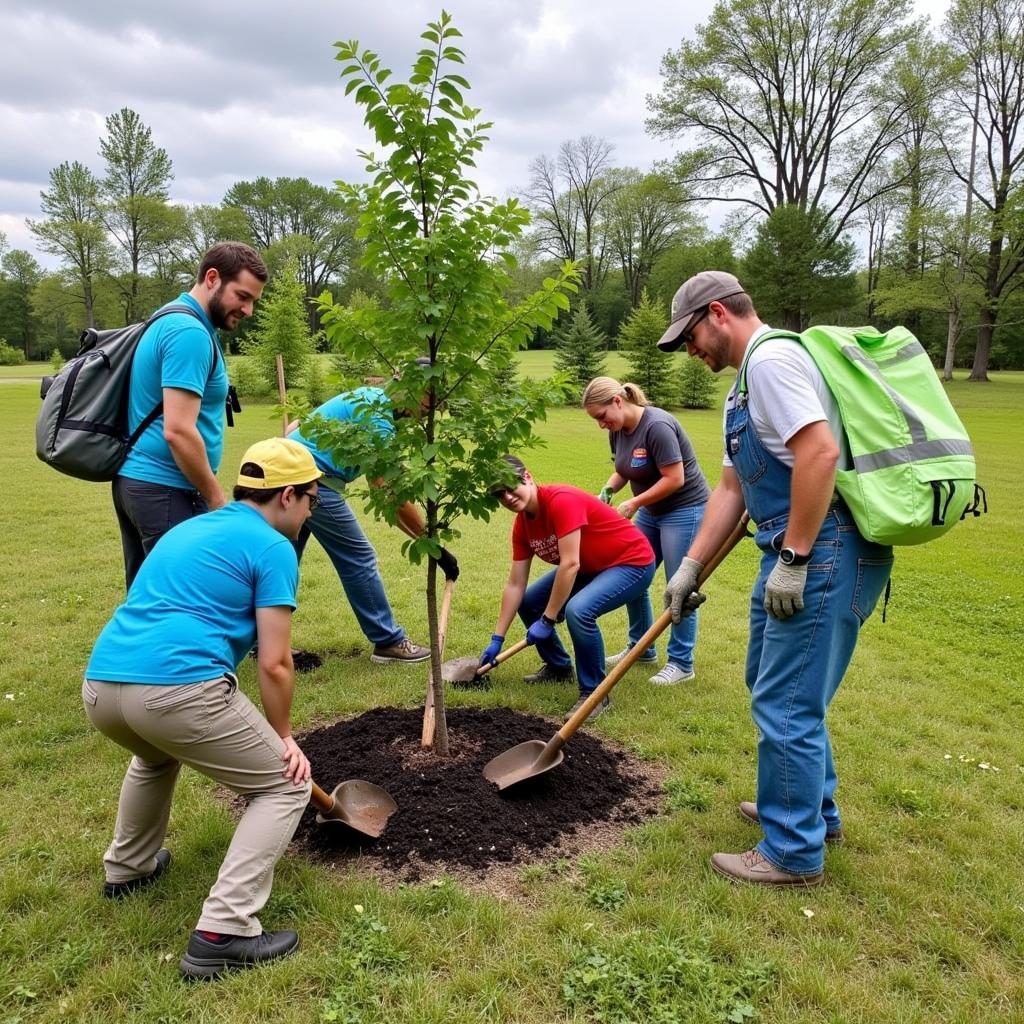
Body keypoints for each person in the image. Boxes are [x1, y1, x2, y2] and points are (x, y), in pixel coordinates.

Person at [658, 271, 893, 886]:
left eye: (690, 338)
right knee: (771, 682)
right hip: (790, 547)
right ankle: (812, 809)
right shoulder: (742, 388)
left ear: (718, 313)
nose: (691, 352)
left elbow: (819, 453)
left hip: (821, 547)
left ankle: (791, 850)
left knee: (786, 700)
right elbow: (733, 488)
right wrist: (689, 568)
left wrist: (793, 559)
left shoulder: (772, 361)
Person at [83, 438, 322, 979]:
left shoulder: (189, 528)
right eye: (312, 499)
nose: (312, 511)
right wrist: (283, 736)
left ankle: (128, 868)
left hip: (103, 687)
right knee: (285, 785)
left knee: (155, 757)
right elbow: (277, 662)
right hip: (175, 692)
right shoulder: (274, 548)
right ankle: (224, 932)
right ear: (288, 496)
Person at [113, 242, 268, 589]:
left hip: (140, 483)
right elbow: (178, 430)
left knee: (149, 600)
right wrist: (215, 498)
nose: (248, 310)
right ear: (212, 278)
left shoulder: (170, 316)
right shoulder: (189, 334)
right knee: (182, 601)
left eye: (254, 300)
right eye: (242, 296)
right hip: (166, 489)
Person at [287, 378, 458, 664]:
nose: (427, 414)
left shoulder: (370, 400)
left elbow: (294, 427)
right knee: (359, 557)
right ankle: (388, 641)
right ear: (411, 390)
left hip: (286, 476)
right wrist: (434, 547)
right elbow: (388, 492)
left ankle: (262, 640)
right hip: (313, 484)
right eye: (429, 404)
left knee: (283, 559)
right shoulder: (378, 416)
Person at [480, 456, 656, 722]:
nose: (507, 497)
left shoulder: (561, 501)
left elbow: (570, 564)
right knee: (528, 602)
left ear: (526, 476)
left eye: (509, 486)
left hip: (631, 562)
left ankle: (595, 693)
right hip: (591, 566)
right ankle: (558, 667)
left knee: (579, 611)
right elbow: (516, 583)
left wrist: (548, 619)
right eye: (499, 494)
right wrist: (497, 639)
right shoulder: (522, 526)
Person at [582, 377, 711, 685]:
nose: (601, 425)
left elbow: (675, 478)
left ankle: (681, 663)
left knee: (678, 585)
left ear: (617, 401)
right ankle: (642, 648)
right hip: (653, 513)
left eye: (601, 416)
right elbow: (624, 468)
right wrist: (608, 489)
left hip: (684, 510)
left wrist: (634, 503)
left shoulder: (657, 426)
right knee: (633, 572)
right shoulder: (618, 431)